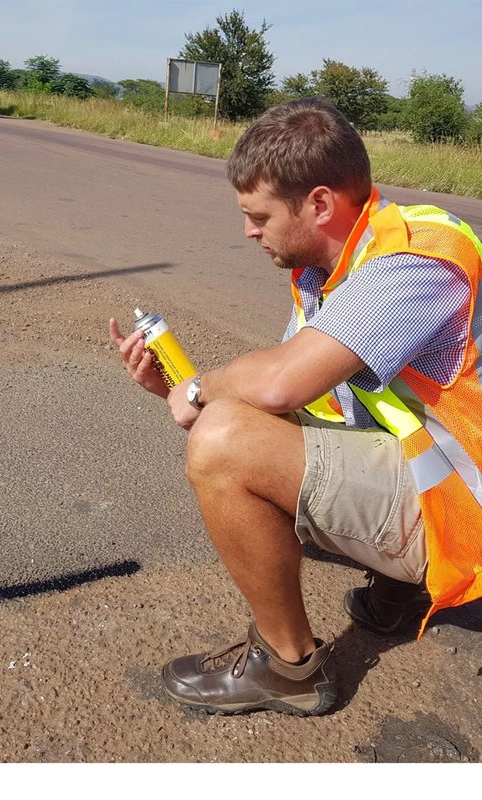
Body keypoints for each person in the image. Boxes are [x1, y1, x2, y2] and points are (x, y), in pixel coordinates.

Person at [109, 98, 482, 717]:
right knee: (241, 426)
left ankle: (289, 669)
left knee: (223, 445)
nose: (249, 232)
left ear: (319, 204)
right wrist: (175, 390)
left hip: (465, 501)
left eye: (259, 216)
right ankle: (402, 587)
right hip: (440, 471)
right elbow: (292, 401)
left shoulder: (414, 263)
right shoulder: (337, 261)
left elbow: (280, 386)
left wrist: (200, 393)